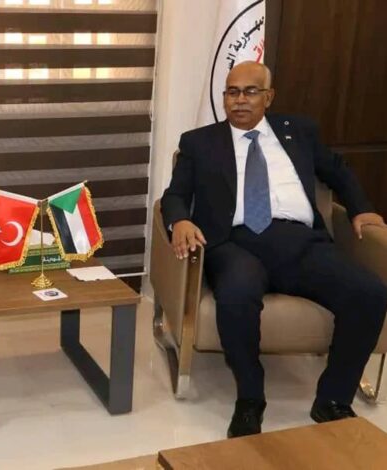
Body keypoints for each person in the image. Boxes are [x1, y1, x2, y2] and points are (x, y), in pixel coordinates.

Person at [160, 61, 387, 438]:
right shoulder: (199, 142)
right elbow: (175, 195)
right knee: (236, 294)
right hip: (234, 243)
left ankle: (333, 399)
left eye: (250, 91)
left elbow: (338, 170)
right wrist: (180, 220)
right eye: (232, 92)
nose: (239, 100)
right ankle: (250, 398)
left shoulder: (299, 131)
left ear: (269, 97)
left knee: (370, 292)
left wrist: (361, 208)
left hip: (300, 242)